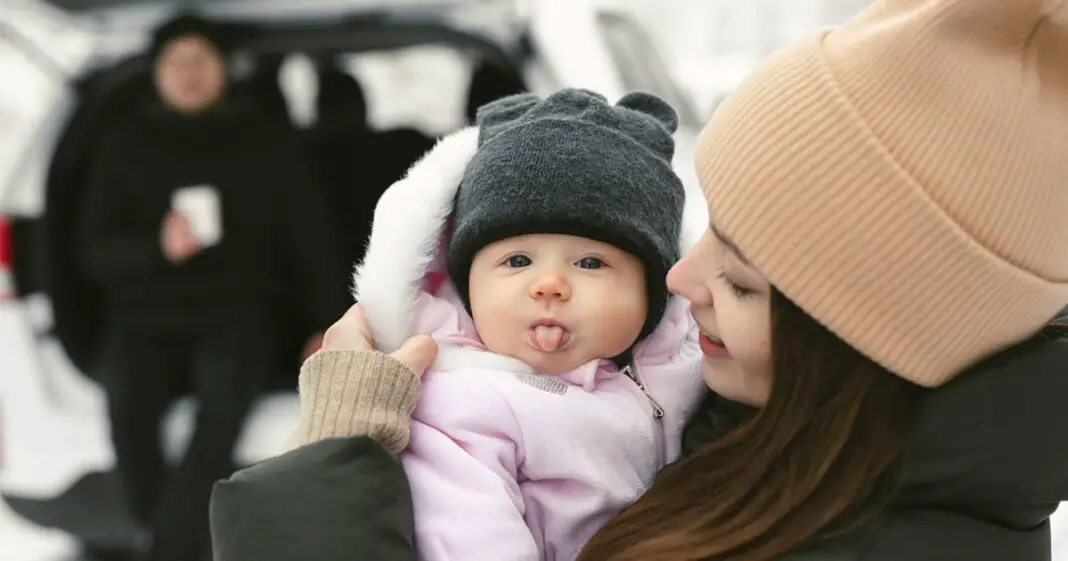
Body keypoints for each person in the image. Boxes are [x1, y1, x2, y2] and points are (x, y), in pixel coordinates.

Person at [209, 0, 1068, 560]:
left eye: (743, 281)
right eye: (709, 231)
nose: (682, 277)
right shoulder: (779, 445)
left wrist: (331, 475)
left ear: (861, 339)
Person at [288, 88, 705, 561]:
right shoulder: (466, 404)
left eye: (590, 263)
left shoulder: (682, 367)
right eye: (518, 260)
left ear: (653, 293)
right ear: (466, 287)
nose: (550, 285)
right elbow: (471, 538)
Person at [80, 13, 348, 561]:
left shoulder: (266, 142)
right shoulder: (123, 145)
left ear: (224, 69)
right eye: (175, 62)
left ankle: (167, 547)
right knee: (127, 406)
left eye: (200, 60)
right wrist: (156, 247)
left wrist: (327, 323)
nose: (188, 73)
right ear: (156, 73)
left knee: (221, 409)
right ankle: (166, 534)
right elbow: (92, 252)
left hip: (239, 313)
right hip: (144, 317)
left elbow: (310, 241)